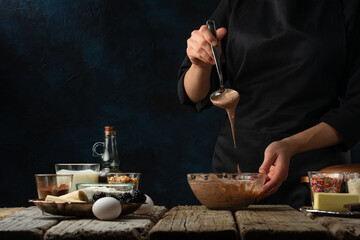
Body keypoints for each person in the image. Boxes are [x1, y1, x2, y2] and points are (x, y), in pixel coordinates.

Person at [178, 0, 360, 208]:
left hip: (316, 179)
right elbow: (193, 95)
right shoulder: (237, 4)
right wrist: (200, 65)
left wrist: (291, 145)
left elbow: (356, 109)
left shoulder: (347, 6)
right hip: (237, 174)